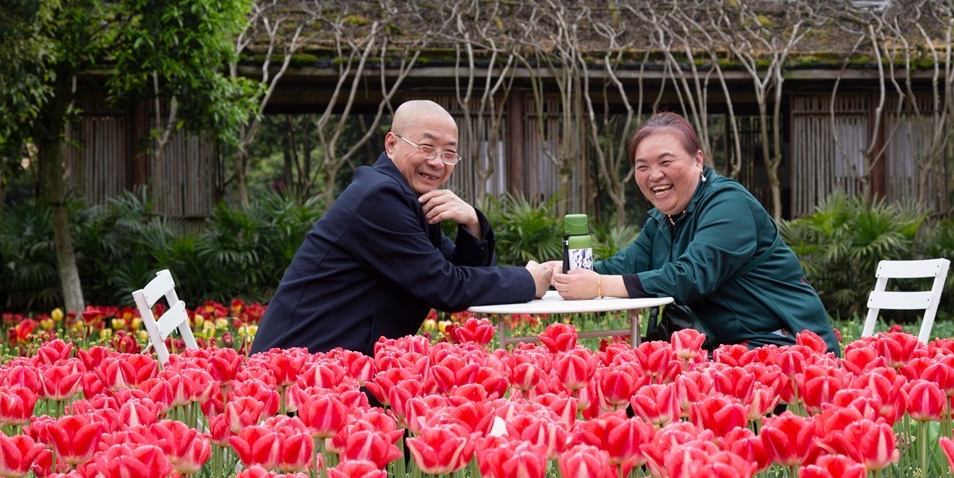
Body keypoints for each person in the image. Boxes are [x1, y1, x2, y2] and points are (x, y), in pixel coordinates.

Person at [252, 100, 553, 355]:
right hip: (298, 371)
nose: (437, 162)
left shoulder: (411, 197)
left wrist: (473, 224)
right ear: (391, 143)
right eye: (426, 147)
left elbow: (456, 272)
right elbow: (446, 286)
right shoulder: (379, 197)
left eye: (449, 153)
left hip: (338, 367)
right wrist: (528, 281)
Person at [551, 112, 840, 355]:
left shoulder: (728, 204)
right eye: (643, 167)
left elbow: (692, 276)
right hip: (719, 347)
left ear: (698, 160)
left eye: (665, 162)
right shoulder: (664, 220)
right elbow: (623, 267)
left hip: (784, 343)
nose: (654, 175)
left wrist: (600, 285)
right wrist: (558, 273)